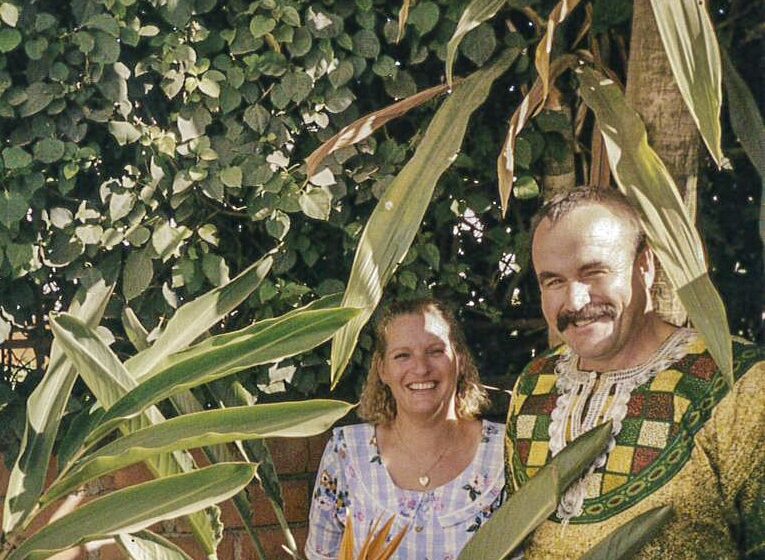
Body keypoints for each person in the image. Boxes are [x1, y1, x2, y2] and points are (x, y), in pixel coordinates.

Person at [505, 186, 765, 559]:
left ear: (645, 266)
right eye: (554, 281)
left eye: (594, 272)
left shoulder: (736, 381)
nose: (575, 301)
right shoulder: (534, 385)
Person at [306, 298, 505, 559]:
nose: (421, 368)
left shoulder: (505, 452)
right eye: (402, 356)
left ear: (460, 361)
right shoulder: (345, 454)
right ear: (383, 370)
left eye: (435, 351)